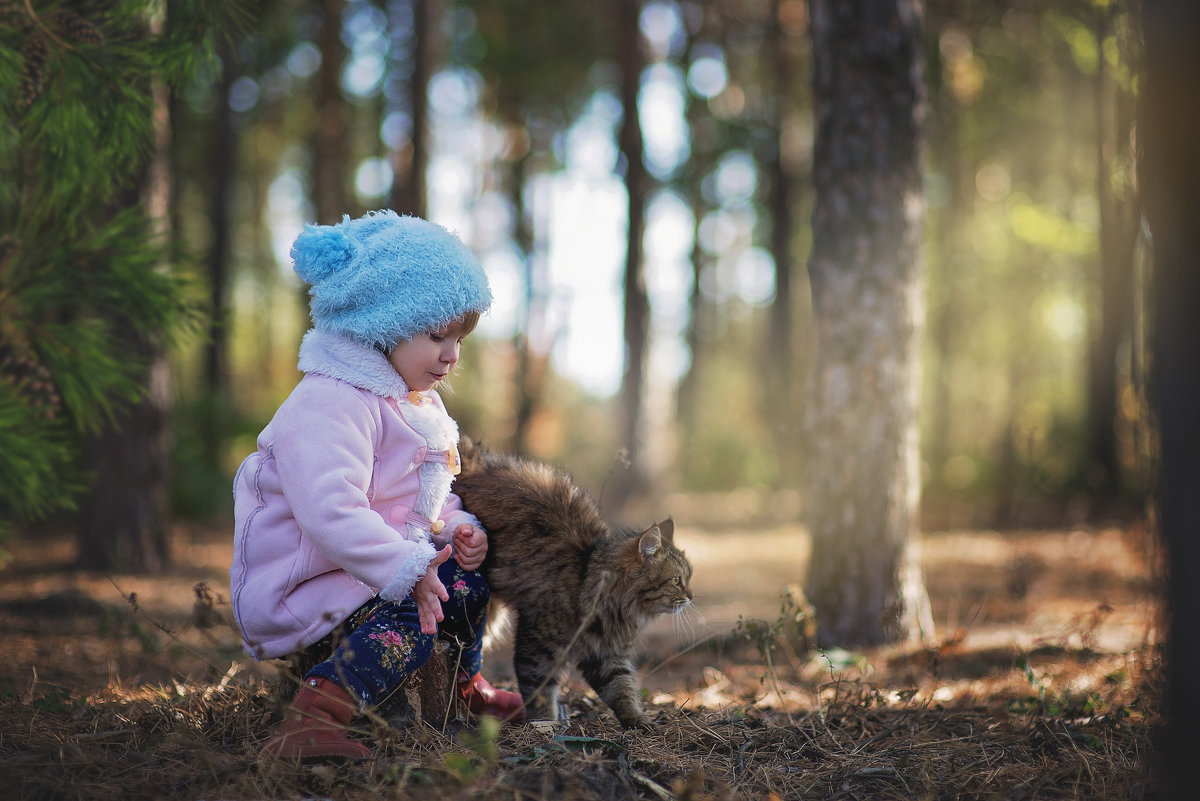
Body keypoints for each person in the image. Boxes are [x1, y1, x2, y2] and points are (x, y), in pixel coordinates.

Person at [230, 210, 524, 761]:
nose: (452, 354)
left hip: (366, 568)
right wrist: (405, 569)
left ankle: (459, 692)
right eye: (436, 335)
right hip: (311, 583)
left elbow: (416, 501)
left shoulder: (407, 400)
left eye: (459, 337)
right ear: (379, 323)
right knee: (415, 615)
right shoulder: (329, 401)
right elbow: (329, 512)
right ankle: (314, 715)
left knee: (466, 584)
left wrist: (458, 527)